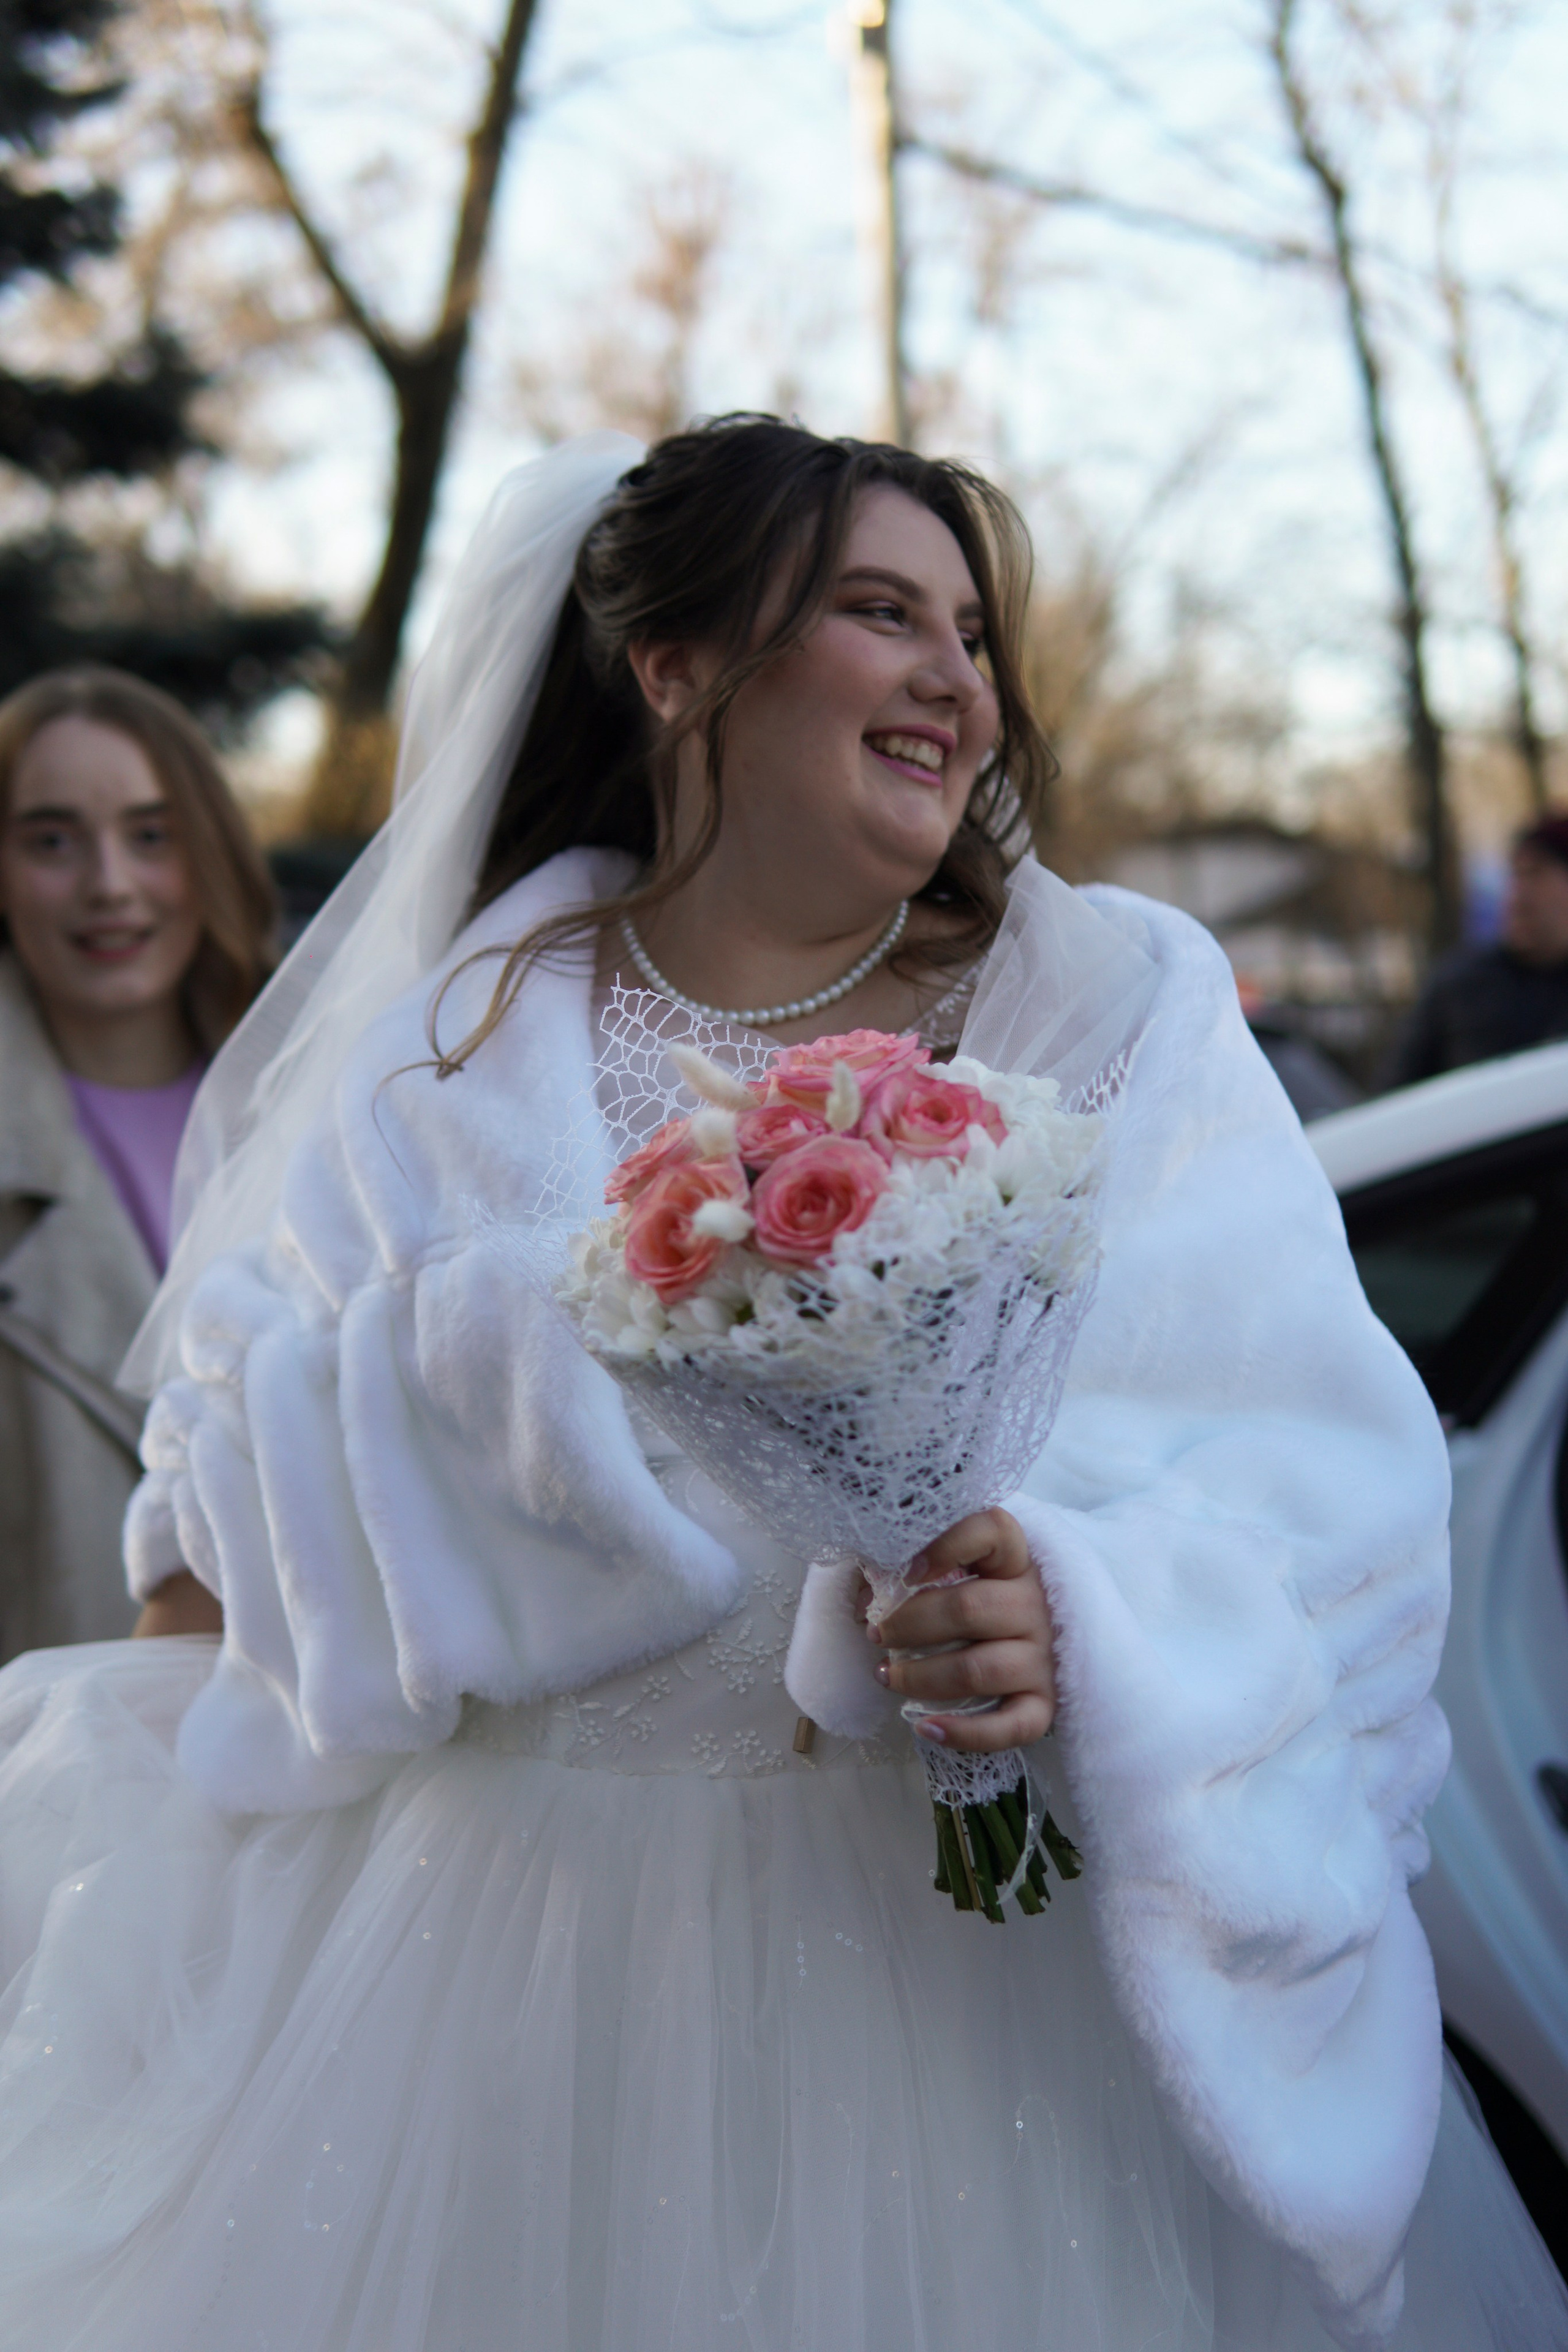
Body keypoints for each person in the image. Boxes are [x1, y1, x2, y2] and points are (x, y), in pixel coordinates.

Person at [0, 420, 1563, 2352]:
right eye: (878, 611)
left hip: (985, 2002)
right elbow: (211, 1543)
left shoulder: (1108, 1006)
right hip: (511, 1982)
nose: (957, 682)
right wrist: (506, 1384)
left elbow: (1320, 1467)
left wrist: (1077, 1606)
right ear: (675, 666)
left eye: (974, 636)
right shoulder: (441, 1057)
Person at [0, 668, 273, 1660]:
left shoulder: (336, 1109)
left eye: (152, 835)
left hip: (307, 1762)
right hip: (44, 1766)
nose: (109, 883)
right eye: (51, 840)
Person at [1388, 814, 1568, 1085]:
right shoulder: (1462, 985)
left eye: (1536, 874)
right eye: (1515, 874)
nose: (1519, 893)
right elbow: (1394, 1096)